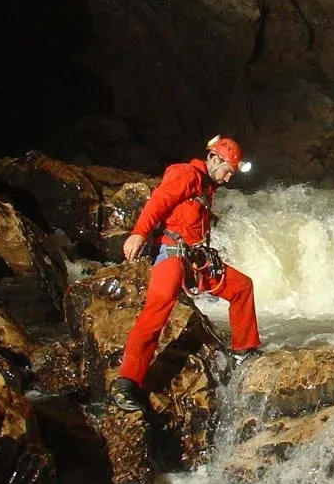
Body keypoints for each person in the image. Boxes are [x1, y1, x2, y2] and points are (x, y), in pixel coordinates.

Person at [109, 135, 261, 412]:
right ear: (214, 159)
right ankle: (125, 383)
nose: (228, 179)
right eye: (227, 170)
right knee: (157, 312)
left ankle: (244, 351)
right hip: (172, 254)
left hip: (194, 260)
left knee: (241, 287)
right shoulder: (186, 174)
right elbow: (159, 201)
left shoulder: (206, 186)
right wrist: (138, 233)